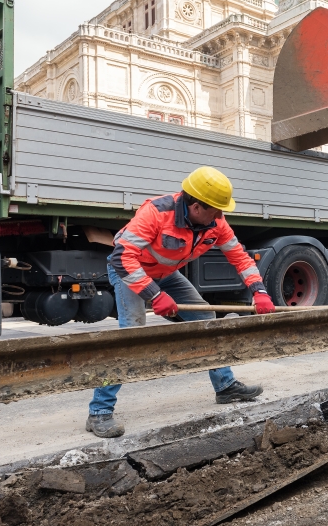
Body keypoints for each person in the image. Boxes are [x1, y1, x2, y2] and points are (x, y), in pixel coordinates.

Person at [86, 167, 276, 438]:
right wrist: (154, 294)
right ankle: (99, 412)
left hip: (165, 274)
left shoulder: (215, 223)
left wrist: (259, 291)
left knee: (205, 322)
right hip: (131, 272)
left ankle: (225, 387)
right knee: (130, 336)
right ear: (196, 206)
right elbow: (122, 258)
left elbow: (240, 258)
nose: (222, 216)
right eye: (217, 210)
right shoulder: (156, 212)